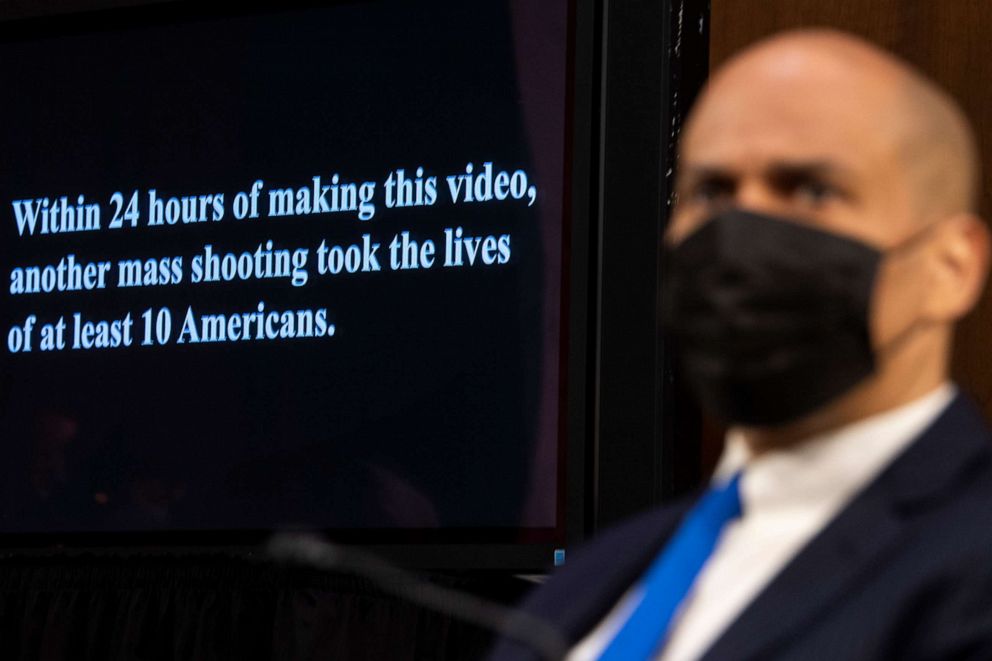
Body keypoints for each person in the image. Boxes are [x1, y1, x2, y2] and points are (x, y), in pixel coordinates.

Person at [489, 29, 992, 661]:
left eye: (811, 190)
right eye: (710, 193)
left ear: (952, 268)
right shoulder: (591, 577)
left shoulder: (971, 561)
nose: (739, 231)